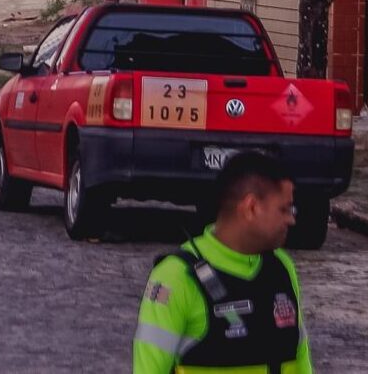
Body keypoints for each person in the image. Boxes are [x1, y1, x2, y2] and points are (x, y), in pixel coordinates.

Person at [133, 150, 312, 373]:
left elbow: (300, 356)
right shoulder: (175, 277)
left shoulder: (281, 268)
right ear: (251, 207)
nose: (291, 219)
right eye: (284, 209)